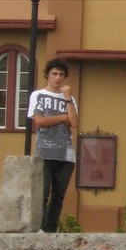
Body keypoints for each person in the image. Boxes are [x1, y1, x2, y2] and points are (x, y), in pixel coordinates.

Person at [28, 58, 79, 233]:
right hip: (44, 152)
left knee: (58, 196)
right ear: (47, 75)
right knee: (42, 194)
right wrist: (62, 117)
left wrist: (67, 100)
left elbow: (73, 122)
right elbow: (40, 121)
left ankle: (51, 229)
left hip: (66, 155)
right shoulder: (38, 95)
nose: (58, 78)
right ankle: (39, 228)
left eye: (61, 74)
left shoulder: (69, 99)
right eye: (54, 74)